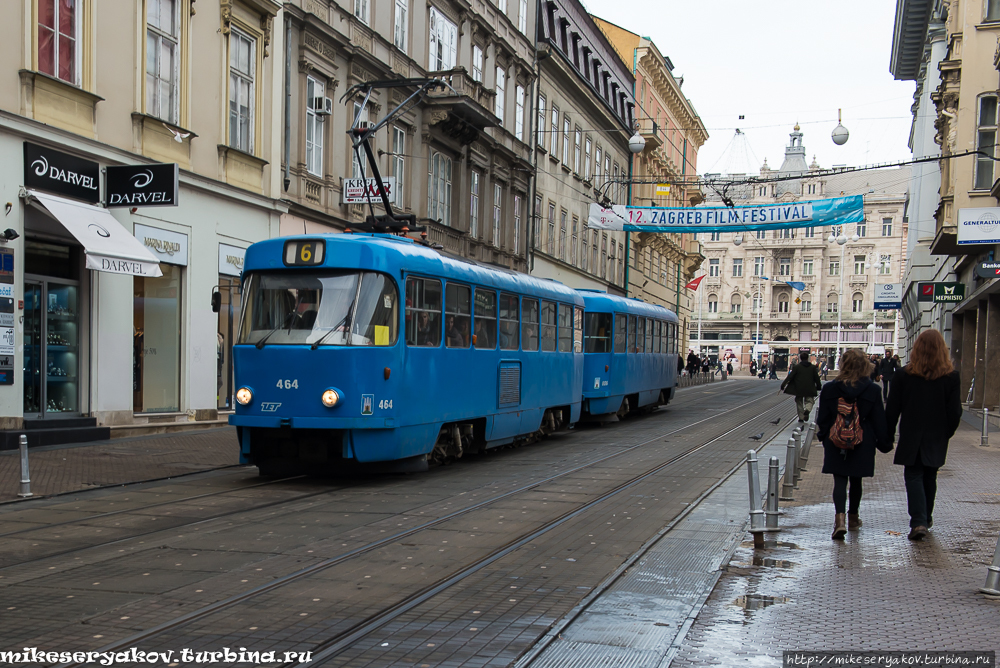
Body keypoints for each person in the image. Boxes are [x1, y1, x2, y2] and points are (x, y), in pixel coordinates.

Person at [884, 330, 962, 541]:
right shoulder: (951, 377)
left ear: (916, 349)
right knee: (930, 474)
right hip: (937, 434)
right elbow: (955, 411)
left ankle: (919, 521)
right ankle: (925, 518)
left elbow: (892, 408)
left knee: (914, 475)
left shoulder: (904, 375)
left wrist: (887, 434)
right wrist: (947, 432)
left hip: (911, 432)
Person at [816, 348, 891, 540]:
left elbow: (822, 417)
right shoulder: (874, 390)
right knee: (857, 480)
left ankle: (839, 520)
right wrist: (884, 442)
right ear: (865, 366)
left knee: (840, 479)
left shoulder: (830, 388)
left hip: (836, 439)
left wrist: (824, 437)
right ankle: (853, 517)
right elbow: (879, 420)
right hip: (862, 440)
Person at [780, 350, 823, 423]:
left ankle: (801, 417)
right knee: (810, 400)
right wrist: (819, 386)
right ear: (808, 358)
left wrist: (783, 385)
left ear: (800, 358)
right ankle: (807, 410)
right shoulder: (812, 368)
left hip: (799, 388)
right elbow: (817, 378)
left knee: (799, 401)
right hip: (810, 388)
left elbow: (790, 377)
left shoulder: (797, 367)